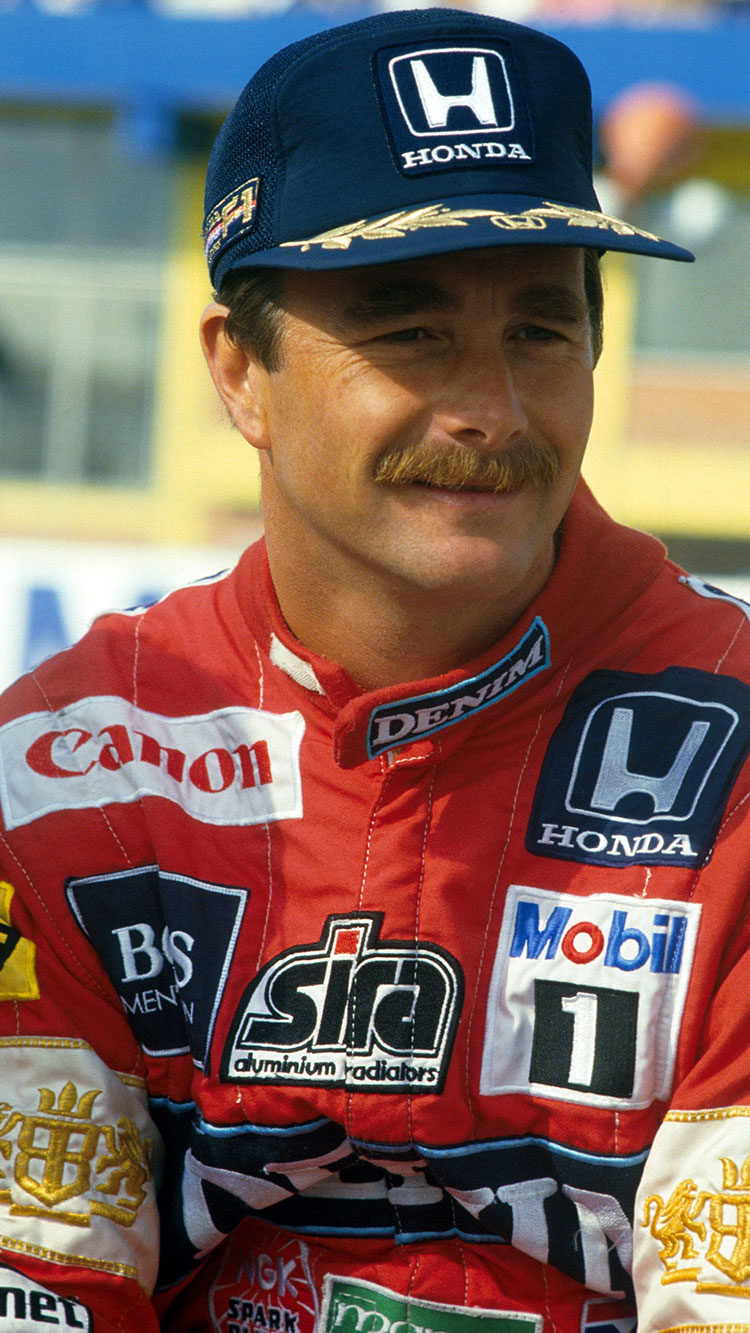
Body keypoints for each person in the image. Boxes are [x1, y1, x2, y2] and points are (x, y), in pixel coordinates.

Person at [0, 9, 748, 1332]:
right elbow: (41, 1286)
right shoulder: (71, 775)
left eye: (540, 331)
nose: (491, 412)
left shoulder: (733, 761)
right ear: (242, 373)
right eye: (409, 333)